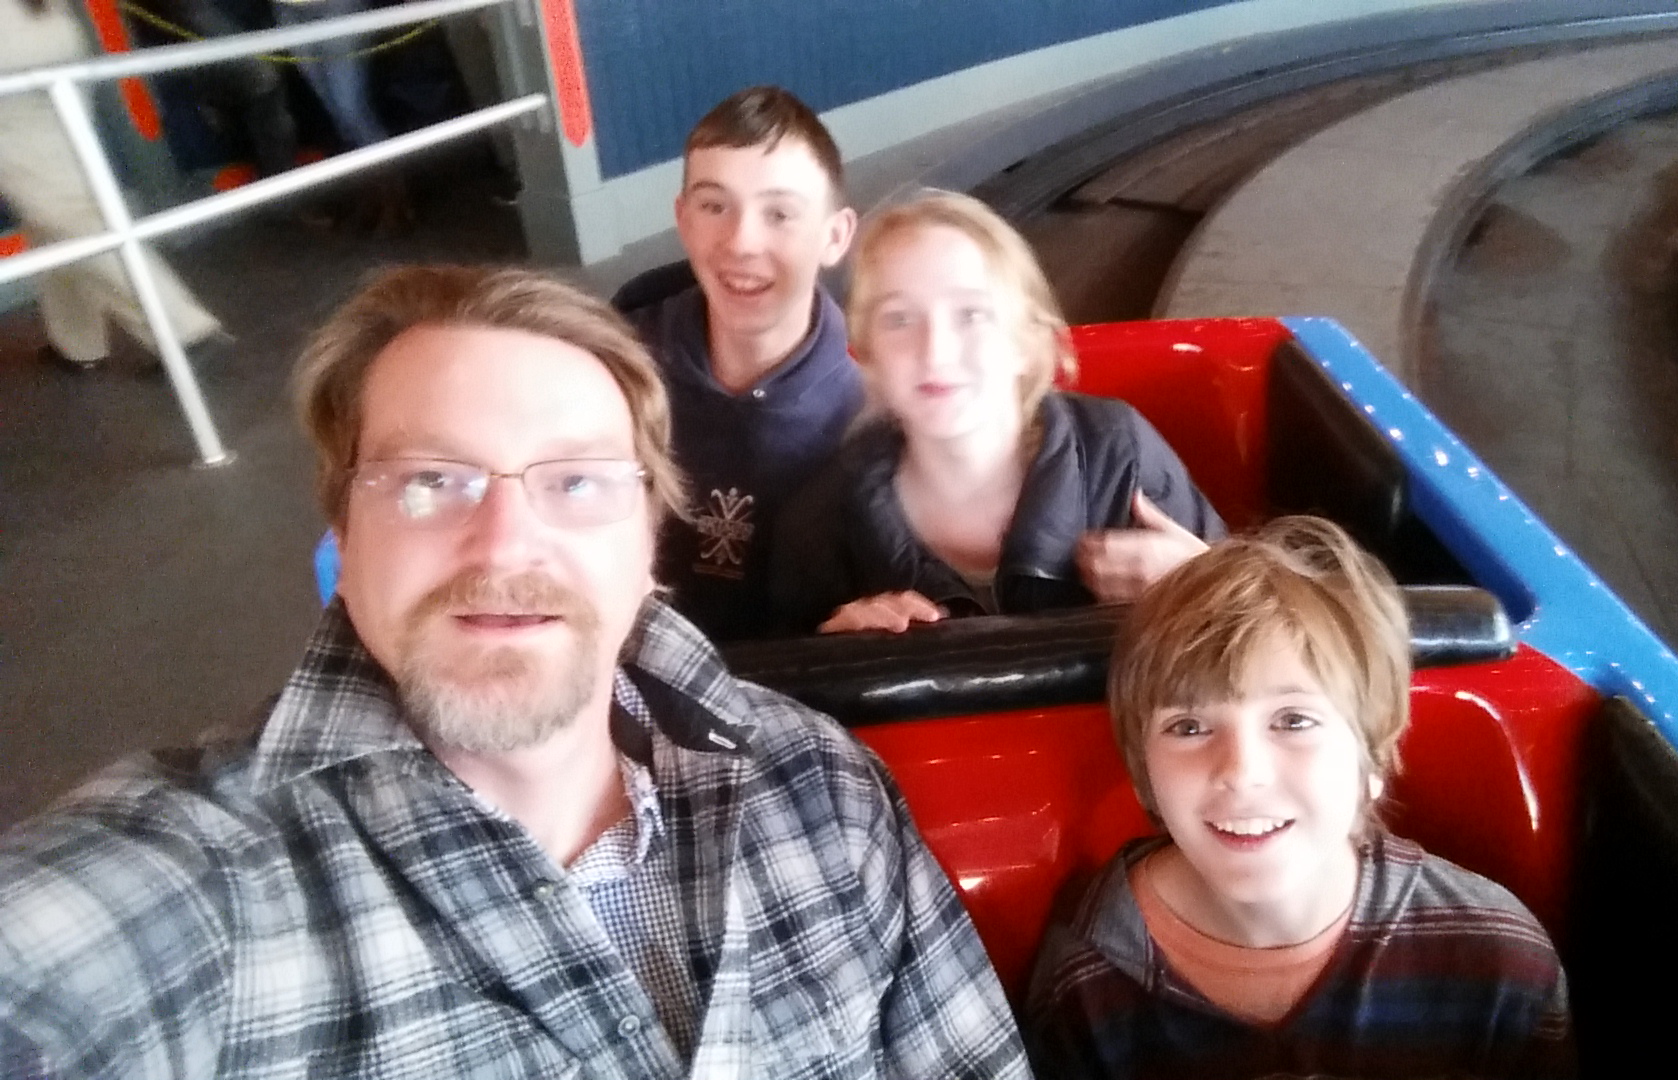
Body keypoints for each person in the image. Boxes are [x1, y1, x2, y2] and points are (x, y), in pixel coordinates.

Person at [0, 265, 1031, 1080]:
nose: (504, 544)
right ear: (343, 541)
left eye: (576, 483)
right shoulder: (198, 884)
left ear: (648, 546)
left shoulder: (820, 782)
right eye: (429, 481)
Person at [1023, 518, 1575, 1080]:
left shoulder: (1498, 961)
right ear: (1145, 777)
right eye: (1189, 727)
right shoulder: (1085, 978)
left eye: (1293, 721)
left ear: (1371, 760)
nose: (1241, 772)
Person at [766, 189, 1225, 636]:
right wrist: (836, 654)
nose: (936, 351)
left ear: (1025, 343)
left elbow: (1255, 638)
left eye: (971, 315)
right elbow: (768, 673)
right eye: (899, 319)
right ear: (868, 357)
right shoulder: (820, 526)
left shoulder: (1118, 454)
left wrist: (1199, 586)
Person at [616, 85, 862, 641]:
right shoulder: (612, 370)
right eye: (714, 206)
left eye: (780, 213)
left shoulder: (876, 410)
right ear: (683, 220)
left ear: (835, 236)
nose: (742, 242)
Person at [0, 0, 224, 369]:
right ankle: (77, 342)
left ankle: (182, 331)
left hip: (10, 60)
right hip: (52, 34)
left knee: (65, 211)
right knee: (50, 210)